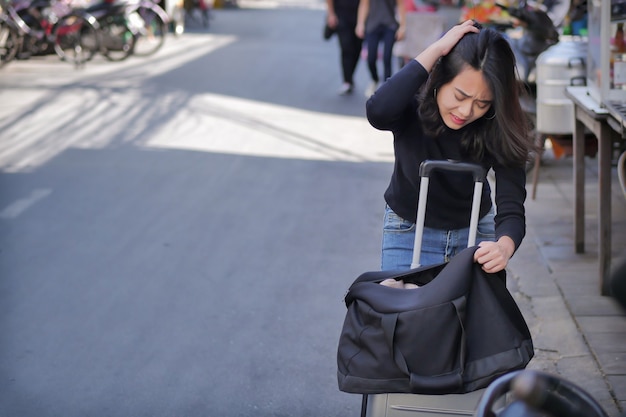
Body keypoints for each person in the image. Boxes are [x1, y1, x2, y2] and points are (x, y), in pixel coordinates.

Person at [366, 20, 536, 274]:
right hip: (408, 231)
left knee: (472, 314)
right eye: (460, 96)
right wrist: (435, 50)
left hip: (475, 235)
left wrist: (503, 246)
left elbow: (512, 204)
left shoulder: (496, 122)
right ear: (440, 79)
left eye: (482, 103)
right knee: (404, 311)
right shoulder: (411, 106)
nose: (466, 111)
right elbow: (378, 111)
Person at [355, 0, 406, 97]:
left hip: (389, 24)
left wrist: (402, 27)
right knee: (371, 58)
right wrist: (360, 23)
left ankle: (386, 86)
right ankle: (374, 79)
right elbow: (364, 4)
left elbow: (401, 5)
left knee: (387, 57)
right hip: (373, 24)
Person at [326, 0, 363, 95]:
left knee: (357, 49)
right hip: (341, 15)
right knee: (346, 48)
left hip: (359, 16)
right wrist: (331, 14)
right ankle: (347, 81)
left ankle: (350, 76)